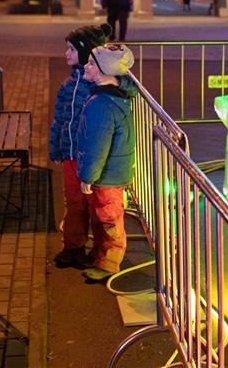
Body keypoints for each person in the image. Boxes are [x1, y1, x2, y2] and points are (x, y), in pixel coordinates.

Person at [49, 23, 112, 269]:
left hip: (90, 158)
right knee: (73, 202)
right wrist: (56, 147)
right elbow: (60, 119)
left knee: (96, 205)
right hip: (70, 155)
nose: (66, 54)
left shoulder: (96, 86)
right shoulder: (67, 86)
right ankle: (73, 246)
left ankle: (99, 250)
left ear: (85, 54)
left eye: (72, 50)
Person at [76, 44, 137, 282]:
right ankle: (102, 256)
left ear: (102, 71)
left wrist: (88, 177)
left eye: (91, 63)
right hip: (111, 172)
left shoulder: (101, 105)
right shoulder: (113, 97)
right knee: (103, 216)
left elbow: (97, 147)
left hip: (106, 175)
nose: (86, 66)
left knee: (109, 219)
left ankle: (109, 264)